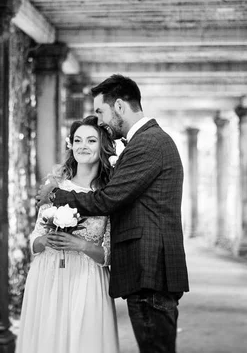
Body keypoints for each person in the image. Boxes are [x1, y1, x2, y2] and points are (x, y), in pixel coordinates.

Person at [40, 74, 189, 353]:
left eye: (100, 111)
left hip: (150, 272)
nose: (99, 120)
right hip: (151, 273)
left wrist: (57, 194)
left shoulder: (148, 143)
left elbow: (108, 200)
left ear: (119, 106)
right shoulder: (148, 142)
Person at [16, 116, 120, 353]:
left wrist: (79, 244)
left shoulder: (110, 193)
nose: (83, 146)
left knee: (84, 341)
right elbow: (35, 239)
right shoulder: (54, 185)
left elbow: (109, 253)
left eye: (91, 140)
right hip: (47, 274)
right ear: (71, 145)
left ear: (102, 146)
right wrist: (45, 240)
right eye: (78, 140)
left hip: (87, 277)